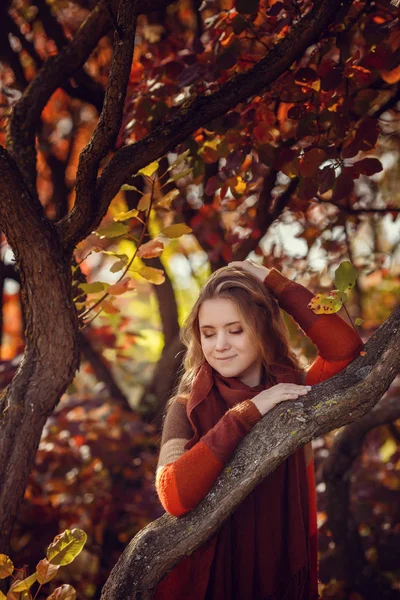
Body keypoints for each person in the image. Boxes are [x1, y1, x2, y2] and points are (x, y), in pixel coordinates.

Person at [153, 260, 363, 600]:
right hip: (211, 581)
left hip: (280, 572)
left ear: (262, 328)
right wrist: (246, 414)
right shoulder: (187, 406)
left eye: (235, 330)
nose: (220, 344)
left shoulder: (294, 390)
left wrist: (274, 282)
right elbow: (174, 495)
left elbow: (344, 348)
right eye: (208, 333)